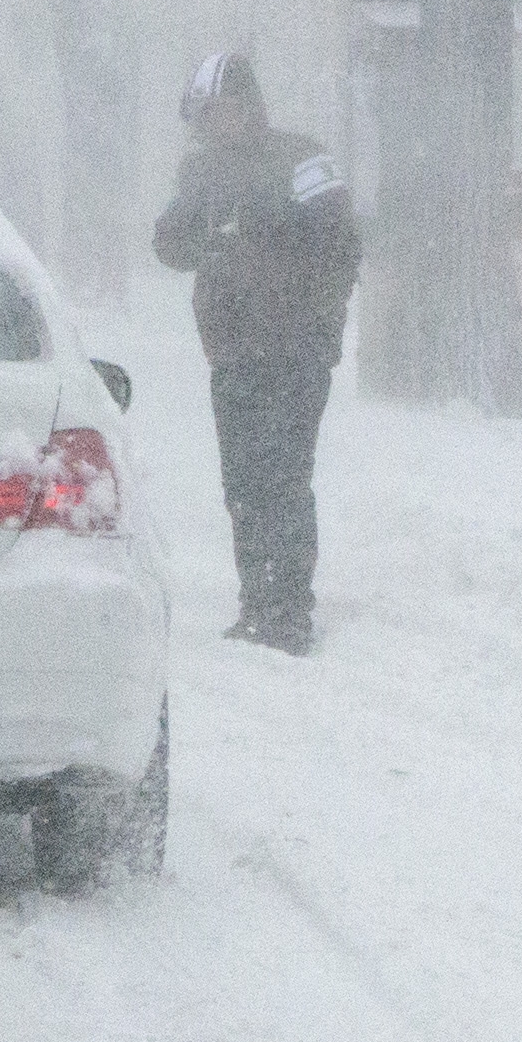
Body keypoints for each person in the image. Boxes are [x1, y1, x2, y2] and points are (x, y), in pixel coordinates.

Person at [150, 49, 362, 653]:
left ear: (248, 105)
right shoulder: (201, 175)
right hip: (233, 351)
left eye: (217, 110)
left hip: (296, 349)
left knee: (285, 476)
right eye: (201, 115)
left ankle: (289, 607)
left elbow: (338, 247)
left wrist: (293, 291)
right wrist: (199, 236)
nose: (210, 124)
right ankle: (256, 599)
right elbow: (168, 243)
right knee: (242, 479)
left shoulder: (302, 160)